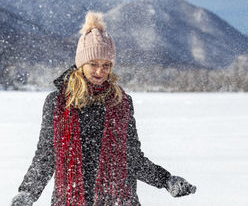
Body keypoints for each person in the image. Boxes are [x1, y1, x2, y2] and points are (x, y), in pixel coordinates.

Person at [11, 11, 196, 206]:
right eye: (94, 64)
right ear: (81, 64)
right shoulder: (57, 103)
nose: (100, 71)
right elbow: (46, 156)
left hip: (119, 200)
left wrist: (166, 180)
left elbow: (131, 158)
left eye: (106, 65)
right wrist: (27, 193)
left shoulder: (120, 102)